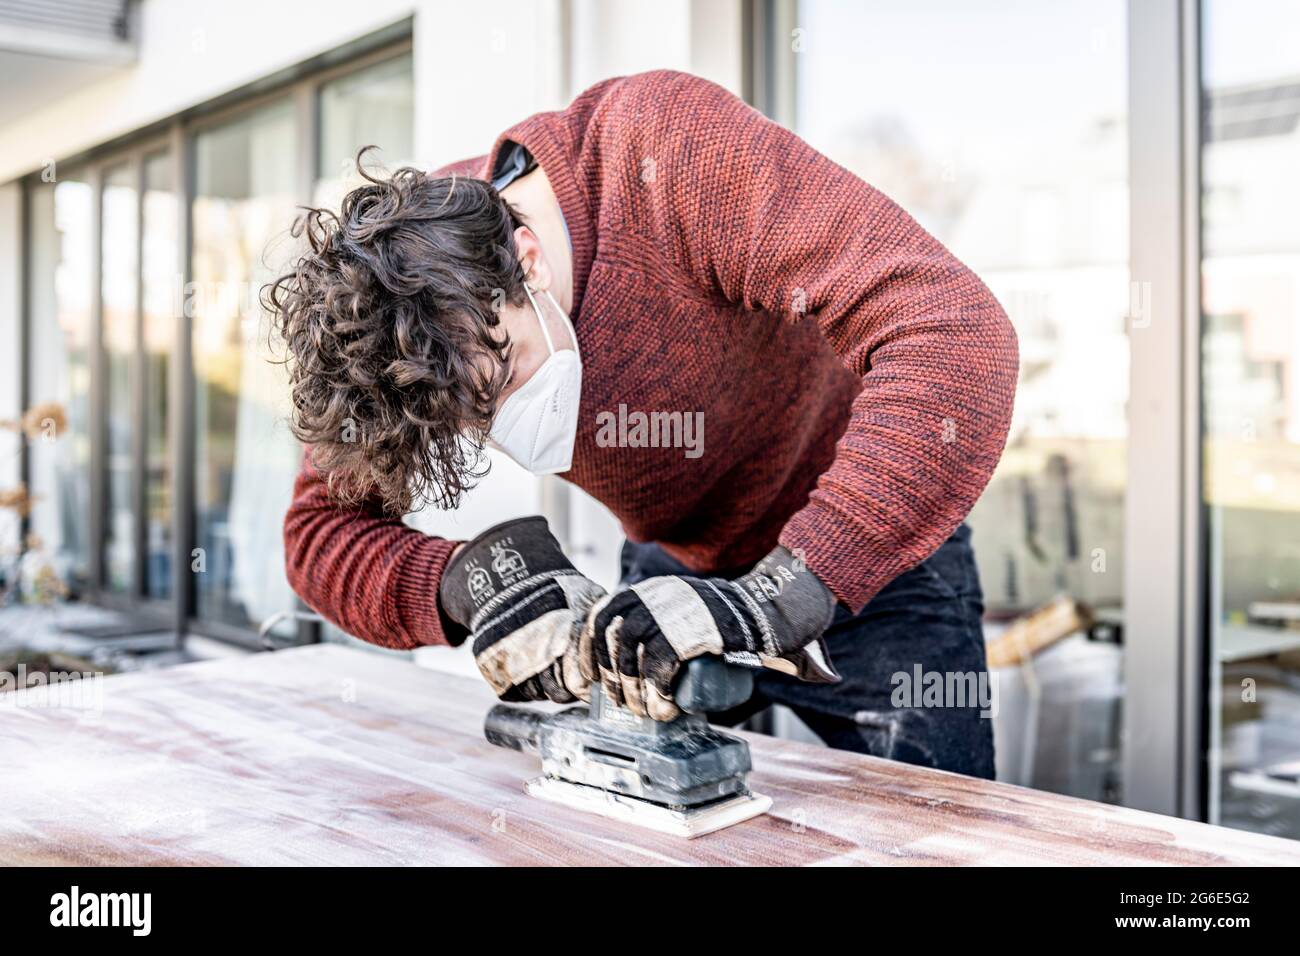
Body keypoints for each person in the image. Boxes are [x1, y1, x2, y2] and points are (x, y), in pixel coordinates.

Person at [267, 70, 1017, 778]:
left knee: (935, 828)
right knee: (651, 822)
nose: (502, 430)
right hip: (675, 575)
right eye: (469, 420)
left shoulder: (662, 154)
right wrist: (467, 581)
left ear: (524, 260)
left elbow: (955, 334)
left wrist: (786, 594)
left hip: (870, 548)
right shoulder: (393, 316)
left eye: (503, 383)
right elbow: (318, 533)